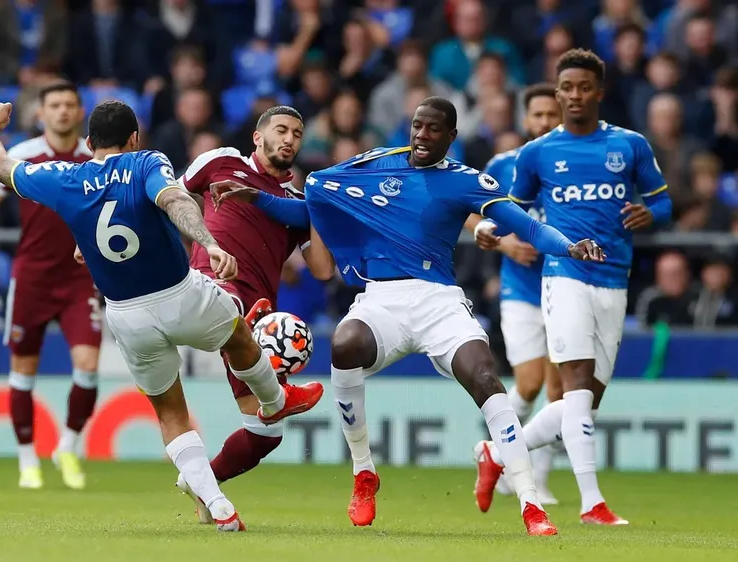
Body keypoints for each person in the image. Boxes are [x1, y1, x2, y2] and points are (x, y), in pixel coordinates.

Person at [214, 96, 606, 535]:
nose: (422, 135)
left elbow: (525, 225)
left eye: (433, 129)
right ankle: (364, 472)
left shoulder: (463, 180)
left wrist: (568, 245)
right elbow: (310, 210)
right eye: (417, 126)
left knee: (484, 376)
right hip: (382, 299)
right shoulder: (377, 166)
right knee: (344, 345)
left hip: (439, 302)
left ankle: (532, 506)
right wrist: (258, 199)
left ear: (451, 137)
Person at [0, 99, 325, 531]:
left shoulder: (65, 177)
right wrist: (210, 243)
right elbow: (175, 199)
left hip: (126, 316)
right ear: (134, 138)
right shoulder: (146, 162)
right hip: (181, 295)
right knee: (238, 331)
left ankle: (219, 506)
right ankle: (275, 399)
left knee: (171, 413)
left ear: (88, 143)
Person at [471, 49, 673, 526]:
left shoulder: (631, 145)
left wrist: (650, 215)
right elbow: (512, 208)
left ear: (598, 92)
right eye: (567, 88)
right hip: (563, 279)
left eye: (585, 87)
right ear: (558, 92)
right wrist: (488, 230)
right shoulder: (537, 153)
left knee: (583, 403)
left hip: (614, 282)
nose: (575, 96)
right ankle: (592, 503)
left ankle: (497, 454)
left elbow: (664, 204)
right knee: (575, 387)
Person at [174, 105, 333, 523]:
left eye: (298, 134)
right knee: (231, 302)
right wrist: (194, 245)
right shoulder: (221, 161)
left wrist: (318, 207)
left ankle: (204, 483)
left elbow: (322, 270)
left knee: (267, 432)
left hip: (255, 321)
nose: (290, 139)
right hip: (212, 286)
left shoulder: (297, 204)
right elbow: (172, 199)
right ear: (258, 137)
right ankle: (249, 317)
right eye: (281, 130)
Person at [0, 82, 100, 491]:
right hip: (31, 276)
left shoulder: (95, 160)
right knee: (22, 372)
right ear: (40, 114)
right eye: (55, 105)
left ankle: (67, 445)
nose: (63, 111)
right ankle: (27, 459)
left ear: (80, 111)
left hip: (81, 277)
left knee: (87, 365)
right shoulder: (22, 156)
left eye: (69, 104)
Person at [463, 83, 565, 504]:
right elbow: (470, 213)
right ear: (526, 120)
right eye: (537, 115)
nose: (543, 122)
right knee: (529, 382)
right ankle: (502, 456)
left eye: (551, 115)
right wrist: (503, 242)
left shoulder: (571, 167)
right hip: (520, 289)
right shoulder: (504, 165)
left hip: (564, 286)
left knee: (560, 389)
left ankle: (533, 478)